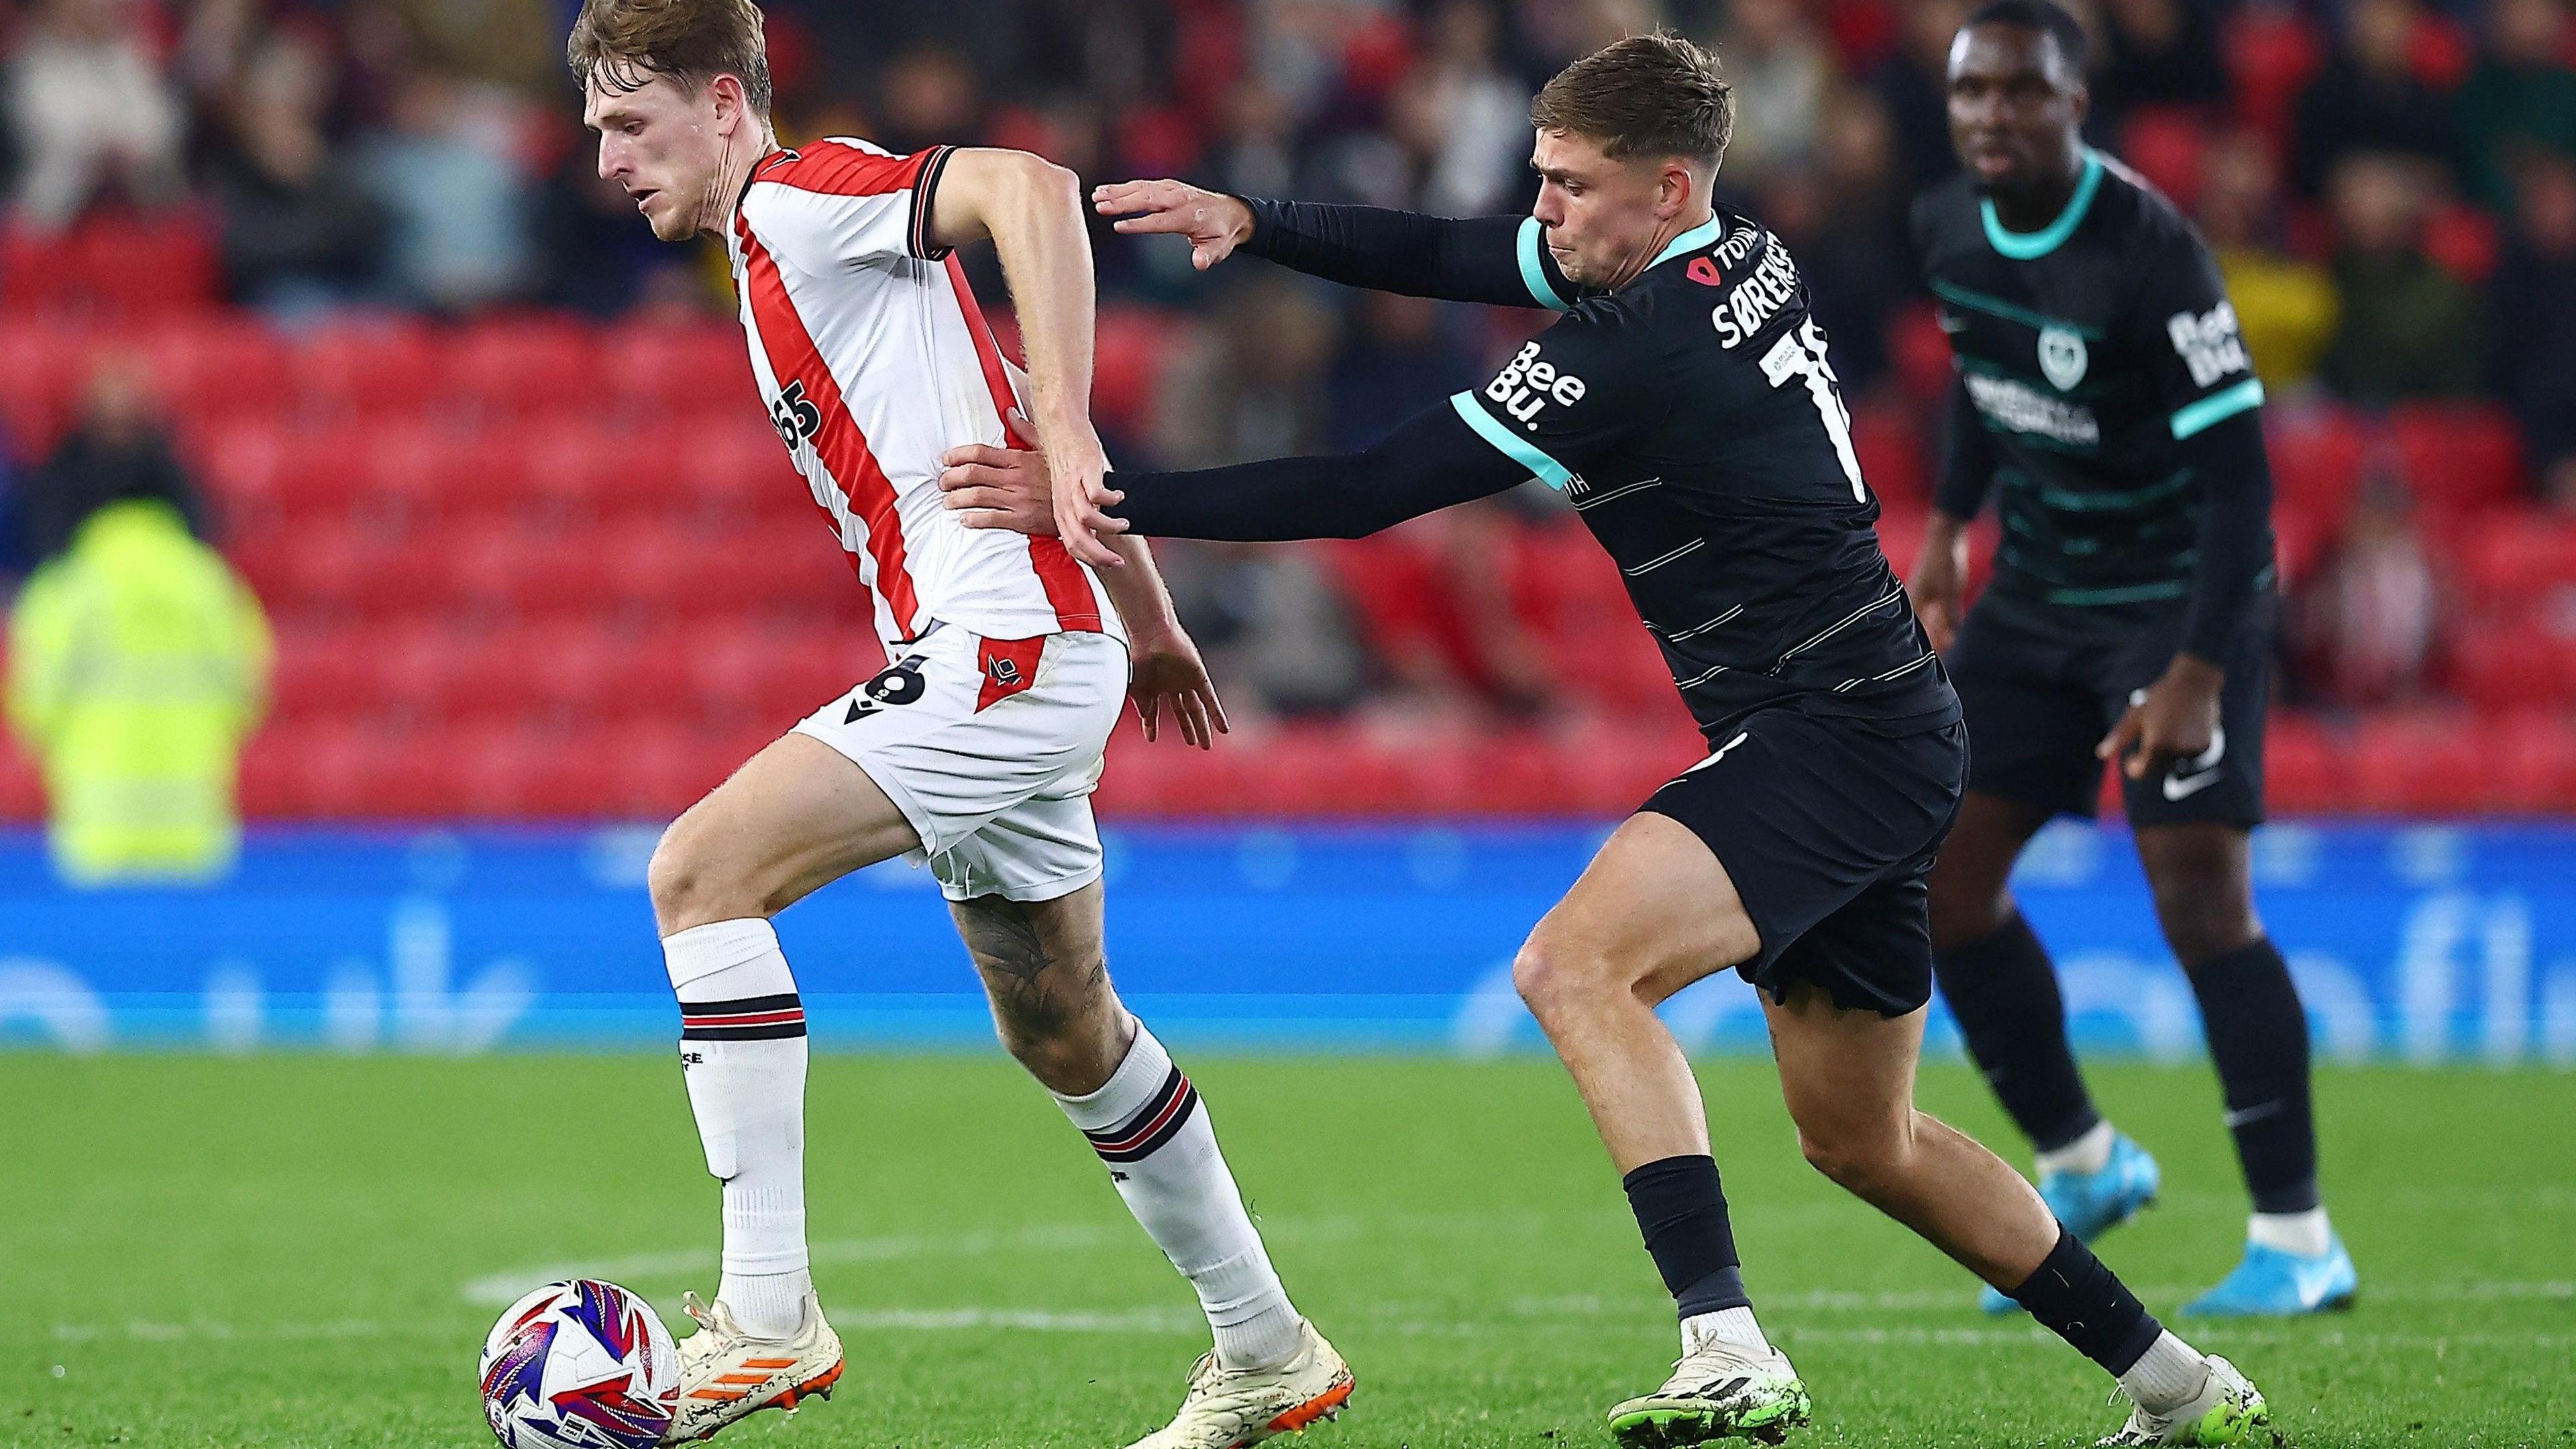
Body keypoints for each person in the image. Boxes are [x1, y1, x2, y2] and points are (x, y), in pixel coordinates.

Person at [944, 31, 2272, 1449]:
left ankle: (1726, 1347)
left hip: (1829, 727)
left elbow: (1368, 489)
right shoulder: (1722, 252)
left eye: (1571, 186)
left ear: (1668, 184)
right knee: (1862, 1142)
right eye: (1543, 179)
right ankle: (2179, 1385)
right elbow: (1459, 254)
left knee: (1574, 967)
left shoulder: (1639, 349)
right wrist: (1256, 220)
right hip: (1875, 718)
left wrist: (1095, 501)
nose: (1546, 210)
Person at [562, 3, 1351, 1446]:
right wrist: (1156, 623)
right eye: (598, 129)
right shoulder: (771, 263)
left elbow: (1029, 190)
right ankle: (1265, 1348)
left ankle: (765, 1316)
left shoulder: (801, 201)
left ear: (729, 105)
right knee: (1065, 1031)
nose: (606, 160)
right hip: (1038, 645)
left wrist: (1074, 427)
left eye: (631, 122)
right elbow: (986, 424)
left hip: (1003, 651)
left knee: (698, 874)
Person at [1904, 0, 2359, 1321]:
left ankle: (2297, 1236)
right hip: (2040, 595)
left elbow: (2241, 486)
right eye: (1971, 91)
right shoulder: (1946, 225)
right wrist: (1943, 530)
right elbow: (1985, 384)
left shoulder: (2150, 251)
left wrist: (2199, 672)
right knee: (1940, 880)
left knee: (2200, 899)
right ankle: (2084, 1164)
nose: (1992, 113)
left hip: (2177, 598)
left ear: (2074, 103)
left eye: (2020, 92)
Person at [6, 494, 270, 886]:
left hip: (98, 832)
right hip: (193, 829)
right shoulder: (210, 584)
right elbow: (248, 690)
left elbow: (34, 703)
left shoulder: (67, 588)